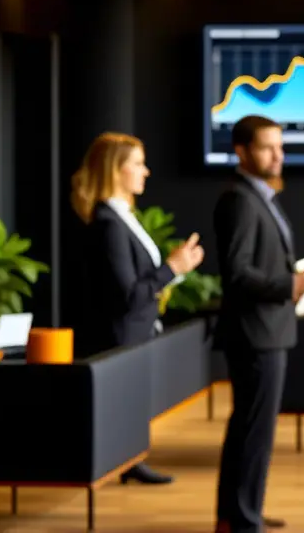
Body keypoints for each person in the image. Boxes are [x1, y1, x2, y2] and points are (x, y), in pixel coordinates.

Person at [71, 131, 205, 486]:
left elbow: (143, 281)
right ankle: (127, 461)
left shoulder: (123, 217)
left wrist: (177, 267)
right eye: (138, 164)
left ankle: (131, 460)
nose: (146, 172)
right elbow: (128, 295)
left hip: (135, 331)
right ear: (116, 170)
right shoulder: (108, 224)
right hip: (120, 334)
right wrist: (172, 268)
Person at [212, 115, 304, 533]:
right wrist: (290, 283)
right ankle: (242, 518)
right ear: (242, 151)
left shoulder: (259, 197)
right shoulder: (239, 199)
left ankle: (238, 514)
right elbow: (237, 274)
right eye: (267, 147)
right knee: (252, 432)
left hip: (267, 331)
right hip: (255, 334)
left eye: (280, 146)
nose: (279, 155)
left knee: (251, 429)